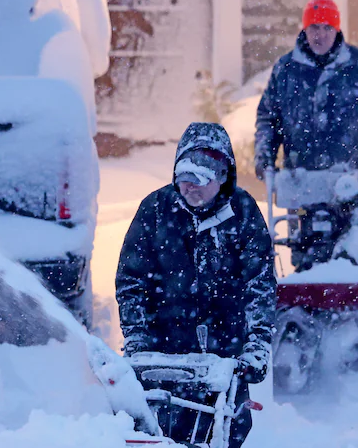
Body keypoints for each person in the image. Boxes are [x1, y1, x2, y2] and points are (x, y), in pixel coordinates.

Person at [116, 122, 276, 448]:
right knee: (161, 435)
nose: (190, 187)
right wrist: (137, 337)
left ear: (223, 176)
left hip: (225, 357)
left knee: (226, 433)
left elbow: (259, 285)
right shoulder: (155, 211)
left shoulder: (243, 213)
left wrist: (256, 345)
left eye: (201, 179)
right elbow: (131, 280)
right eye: (184, 177)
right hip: (164, 357)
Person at [254, 0, 358, 271]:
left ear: (337, 30)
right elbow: (267, 118)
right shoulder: (286, 70)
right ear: (305, 29)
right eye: (314, 27)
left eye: (327, 27)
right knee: (306, 267)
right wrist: (265, 158)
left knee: (353, 262)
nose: (320, 35)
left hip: (351, 183)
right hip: (301, 185)